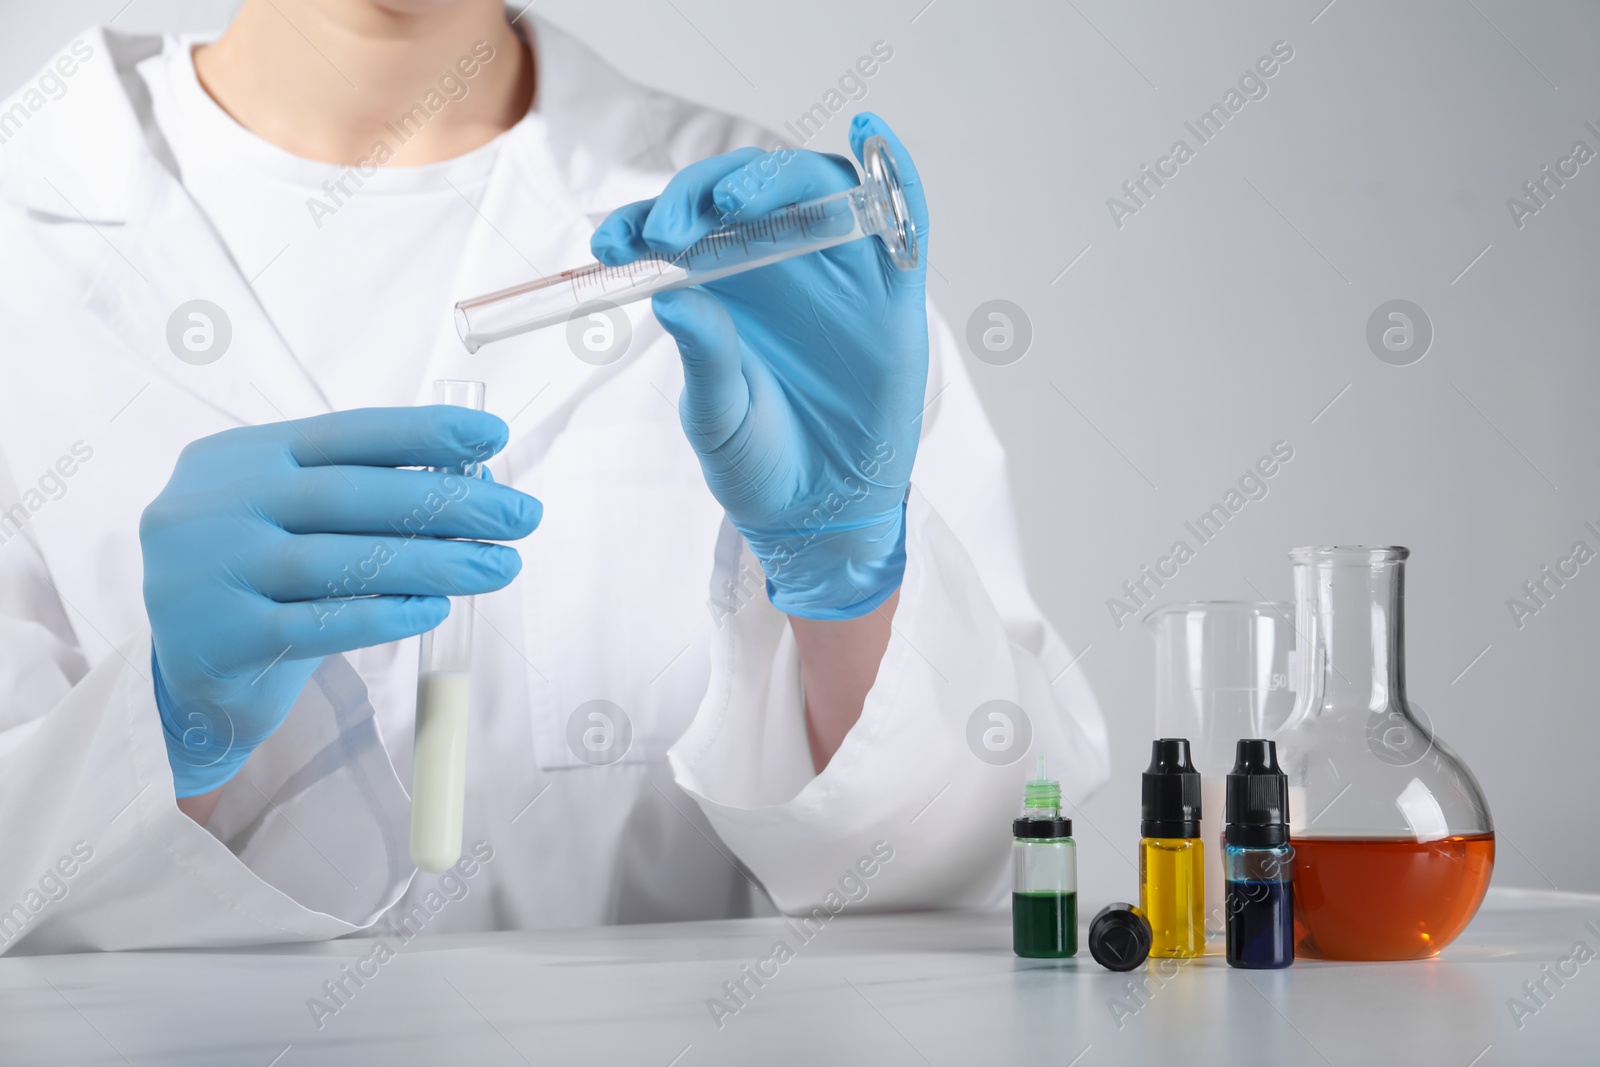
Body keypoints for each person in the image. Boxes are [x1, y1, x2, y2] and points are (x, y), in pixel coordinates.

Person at [0, 0, 1106, 953]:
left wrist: (845, 582)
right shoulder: (25, 225)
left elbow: (965, 863)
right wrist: (159, 728)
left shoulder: (763, 240)